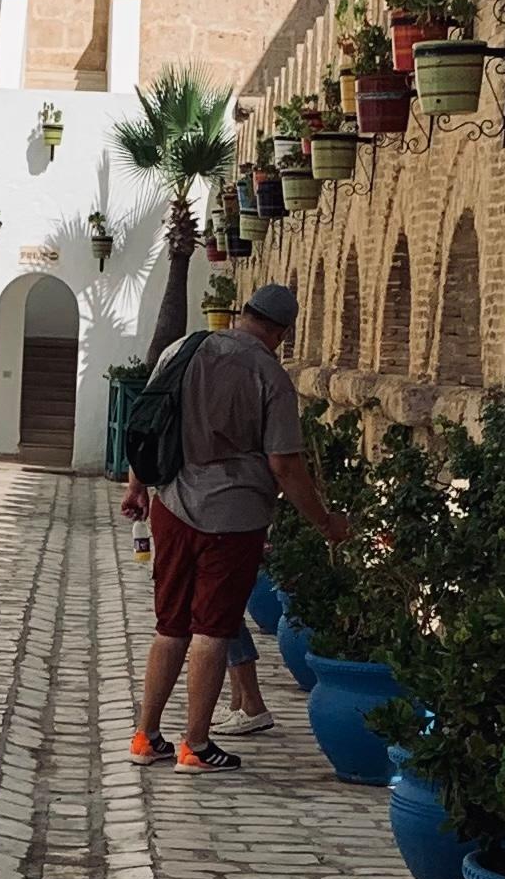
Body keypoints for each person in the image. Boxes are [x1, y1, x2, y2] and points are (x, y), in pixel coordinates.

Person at [123, 280, 347, 772]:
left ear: (243, 313)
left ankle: (146, 737)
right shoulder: (270, 375)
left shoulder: (185, 348)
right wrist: (326, 522)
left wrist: (138, 484)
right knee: (213, 628)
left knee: (169, 626)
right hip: (233, 517)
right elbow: (284, 465)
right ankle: (196, 746)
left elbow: (150, 418)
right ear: (282, 332)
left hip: (172, 503)